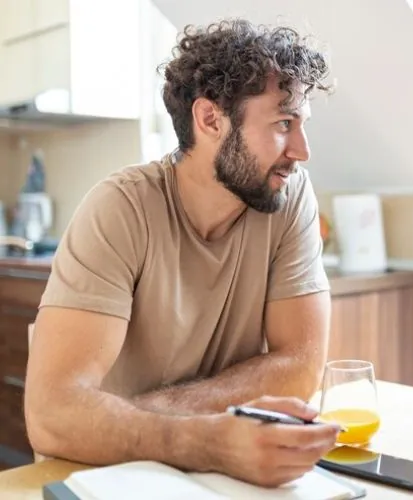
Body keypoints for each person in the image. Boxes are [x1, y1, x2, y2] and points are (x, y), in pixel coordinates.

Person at [25, 19, 342, 487]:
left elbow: (300, 366)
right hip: (109, 474)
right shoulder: (121, 208)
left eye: (301, 124)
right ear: (210, 120)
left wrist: (148, 413)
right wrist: (207, 439)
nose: (302, 151)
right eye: (282, 123)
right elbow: (52, 414)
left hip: (219, 471)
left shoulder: (288, 195)